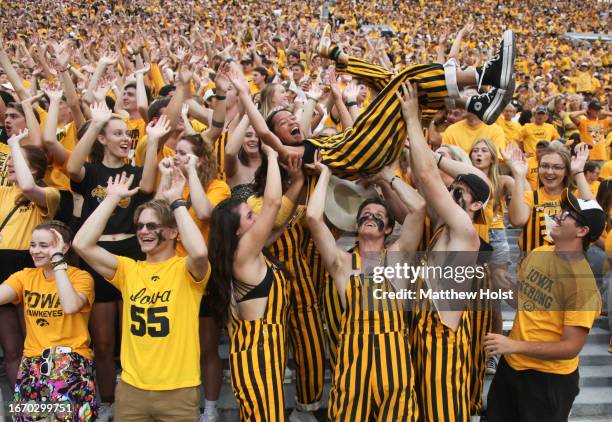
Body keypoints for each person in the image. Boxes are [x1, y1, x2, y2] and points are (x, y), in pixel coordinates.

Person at [228, 28, 517, 180]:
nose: (292, 121)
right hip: (366, 150)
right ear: (277, 136)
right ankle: (483, 77)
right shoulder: (291, 154)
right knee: (407, 79)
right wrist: (244, 93)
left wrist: (341, 98)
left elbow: (310, 122)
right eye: (283, 123)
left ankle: (477, 104)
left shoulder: (311, 141)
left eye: (290, 118)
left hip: (371, 148)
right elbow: (266, 135)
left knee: (399, 84)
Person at [73, 169, 210, 421]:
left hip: (178, 391)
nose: (143, 231)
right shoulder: (129, 270)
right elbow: (81, 244)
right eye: (140, 226)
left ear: (172, 232)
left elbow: (200, 253)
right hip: (131, 390)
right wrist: (111, 199)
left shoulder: (185, 269)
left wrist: (176, 201)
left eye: (152, 225)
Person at [307, 158, 425, 420]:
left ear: (390, 228)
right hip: (352, 359)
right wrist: (325, 174)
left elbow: (418, 209)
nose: (371, 217)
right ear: (356, 223)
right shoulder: (342, 263)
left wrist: (388, 177)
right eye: (366, 215)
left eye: (379, 216)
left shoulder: (398, 256)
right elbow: (313, 217)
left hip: (393, 359)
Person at [398, 81, 489, 421]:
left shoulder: (465, 231)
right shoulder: (444, 227)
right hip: (423, 338)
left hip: (443, 348)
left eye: (461, 191)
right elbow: (423, 179)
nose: (453, 190)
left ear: (477, 204)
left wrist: (410, 119)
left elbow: (426, 174)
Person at [66, 102, 161, 420]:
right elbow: (71, 167)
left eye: (128, 134)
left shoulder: (135, 173)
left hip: (132, 257)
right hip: (95, 260)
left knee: (133, 336)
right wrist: (96, 123)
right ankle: (107, 401)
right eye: (118, 133)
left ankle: (137, 395)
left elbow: (148, 186)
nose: (125, 138)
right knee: (103, 342)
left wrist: (153, 139)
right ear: (102, 139)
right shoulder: (91, 171)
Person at [485, 189, 605, 422]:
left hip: (548, 380)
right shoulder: (539, 253)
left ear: (582, 230)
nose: (559, 215)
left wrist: (513, 345)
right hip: (512, 368)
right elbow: (525, 302)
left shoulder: (583, 285)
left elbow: (570, 347)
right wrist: (501, 285)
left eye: (569, 214)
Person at [207, 145, 291, 421]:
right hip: (259, 356)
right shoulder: (243, 254)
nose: (256, 216)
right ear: (238, 230)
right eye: (249, 216)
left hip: (263, 353)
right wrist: (272, 156)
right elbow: (274, 204)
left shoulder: (247, 252)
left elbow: (281, 217)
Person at [0, 220, 96, 421]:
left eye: (44, 246)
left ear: (64, 247)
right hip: (32, 365)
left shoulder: (81, 277)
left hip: (70, 363)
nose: (35, 251)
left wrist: (58, 261)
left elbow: (70, 305)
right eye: (33, 245)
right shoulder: (25, 276)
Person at [0, 129, 60, 389]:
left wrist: (13, 142)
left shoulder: (51, 195)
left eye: (17, 160)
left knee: (35, 344)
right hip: (2, 266)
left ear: (35, 169)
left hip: (29, 264)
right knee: (11, 349)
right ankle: (21, 407)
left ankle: (46, 399)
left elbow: (26, 186)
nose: (10, 163)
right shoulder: (3, 192)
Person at [469, 138, 515, 375]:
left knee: (493, 300)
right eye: (475, 150)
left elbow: (522, 191)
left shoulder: (503, 180)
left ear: (492, 157)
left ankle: (493, 353)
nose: (478, 154)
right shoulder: (463, 178)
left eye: (484, 150)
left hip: (496, 237)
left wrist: (515, 166)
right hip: (470, 234)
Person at [506, 142, 594, 255]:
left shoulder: (575, 196)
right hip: (534, 269)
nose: (549, 172)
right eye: (544, 166)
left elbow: (594, 218)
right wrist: (519, 175)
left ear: (566, 171)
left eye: (557, 167)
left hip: (567, 267)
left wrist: (578, 172)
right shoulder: (530, 197)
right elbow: (517, 221)